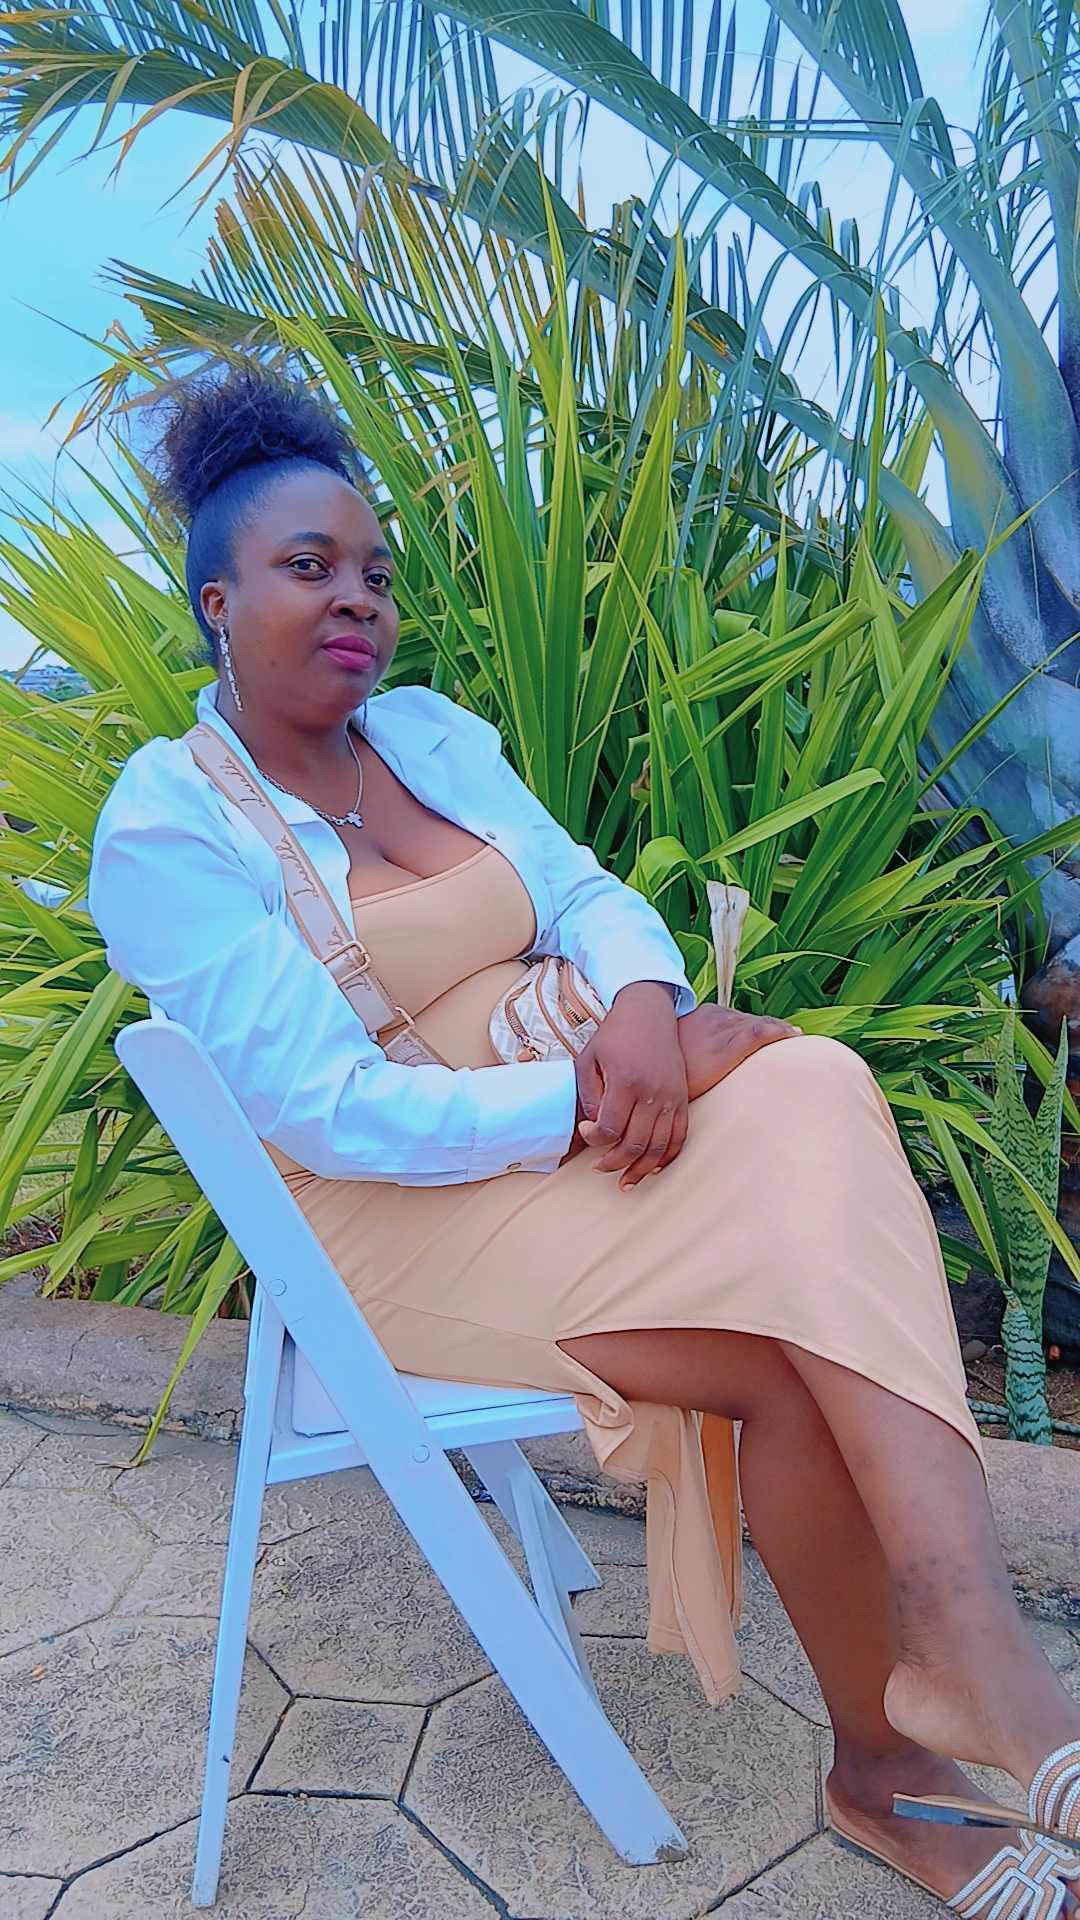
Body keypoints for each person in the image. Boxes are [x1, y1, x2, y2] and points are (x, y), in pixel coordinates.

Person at [90, 368, 1080, 1916]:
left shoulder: (425, 735)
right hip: (387, 1217)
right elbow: (327, 1111)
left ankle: (966, 1653)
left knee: (814, 1079)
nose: (356, 599)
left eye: (375, 574)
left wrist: (640, 1006)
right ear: (217, 601)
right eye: (308, 568)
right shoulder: (168, 826)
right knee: (788, 1345)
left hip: (556, 1121)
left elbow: (584, 890)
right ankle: (894, 1760)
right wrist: (593, 1095)